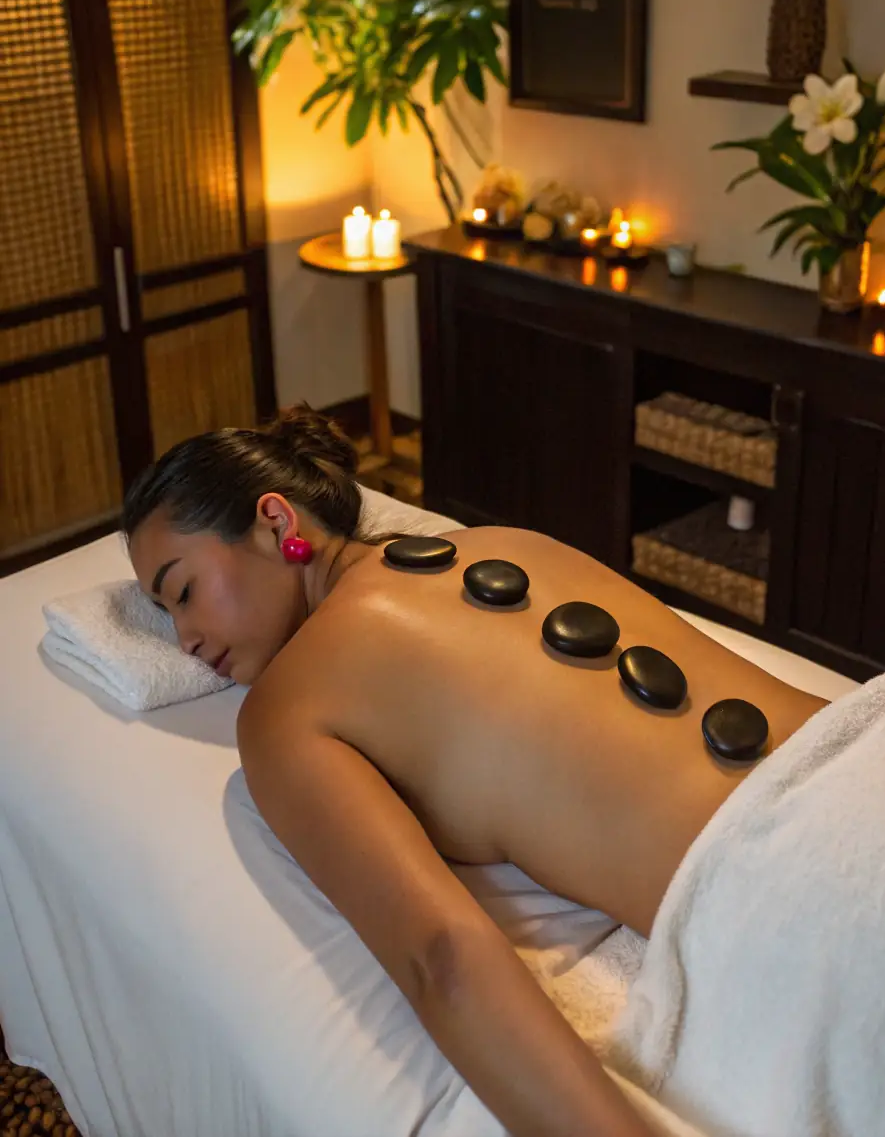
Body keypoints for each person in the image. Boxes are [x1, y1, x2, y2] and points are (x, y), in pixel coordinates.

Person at [124, 405, 828, 1137]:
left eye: (182, 592)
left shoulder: (281, 712)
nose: (184, 638)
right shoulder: (499, 542)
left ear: (275, 521)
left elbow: (443, 959)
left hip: (807, 900)